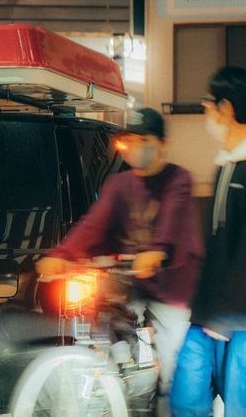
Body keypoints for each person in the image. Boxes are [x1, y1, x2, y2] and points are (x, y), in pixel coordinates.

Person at [36, 107, 204, 417]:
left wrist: (157, 253)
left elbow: (170, 224)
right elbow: (92, 225)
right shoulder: (120, 185)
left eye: (145, 139)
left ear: (162, 143)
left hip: (173, 290)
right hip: (135, 286)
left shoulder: (178, 180)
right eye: (132, 139)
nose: (137, 146)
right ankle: (124, 383)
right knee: (109, 327)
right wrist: (61, 256)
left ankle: (165, 401)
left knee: (171, 367)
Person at [172, 66, 246, 417]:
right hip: (211, 314)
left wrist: (225, 315)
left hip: (237, 318)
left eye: (208, 105)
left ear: (227, 109)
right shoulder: (226, 165)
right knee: (187, 397)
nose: (206, 113)